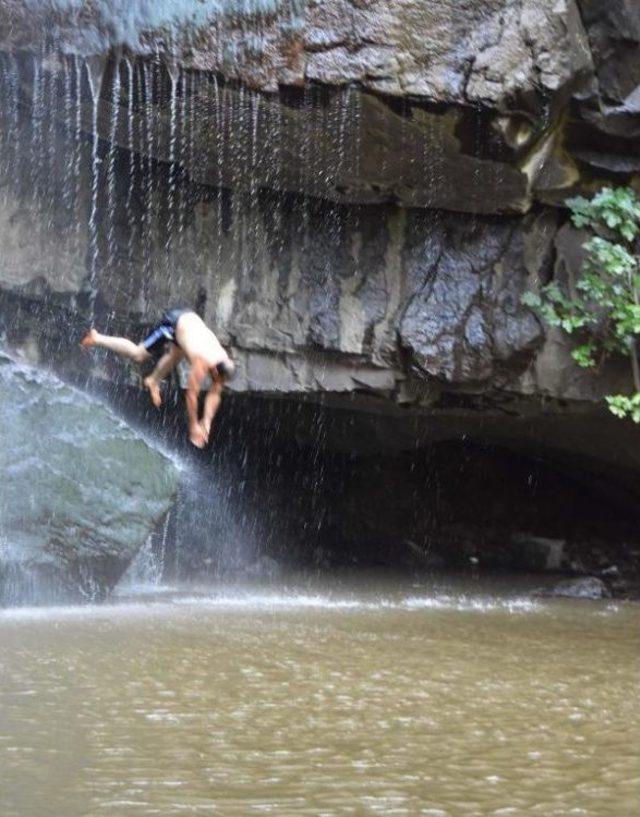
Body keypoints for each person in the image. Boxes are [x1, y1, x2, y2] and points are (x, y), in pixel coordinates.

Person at [80, 308, 235, 448]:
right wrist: (194, 425)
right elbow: (191, 395)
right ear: (214, 369)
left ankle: (153, 380)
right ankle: (97, 337)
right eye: (216, 378)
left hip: (189, 327)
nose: (217, 382)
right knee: (138, 354)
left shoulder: (223, 361)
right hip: (174, 323)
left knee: (177, 353)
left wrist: (206, 422)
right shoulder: (201, 362)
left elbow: (215, 394)